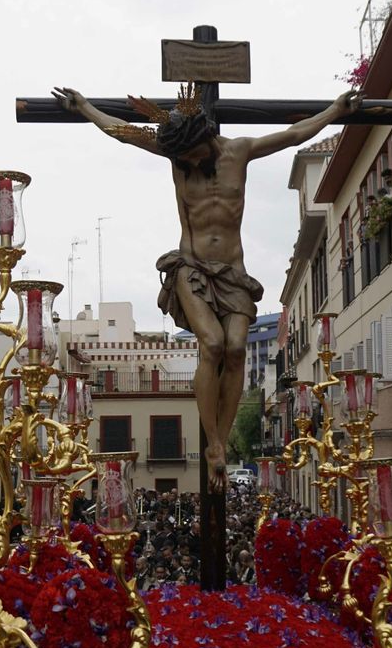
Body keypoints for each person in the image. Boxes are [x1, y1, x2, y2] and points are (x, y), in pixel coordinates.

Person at [54, 83, 360, 488]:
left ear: (206, 138)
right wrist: (86, 108)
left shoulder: (240, 151)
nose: (188, 163)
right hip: (192, 267)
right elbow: (121, 131)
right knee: (212, 344)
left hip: (233, 272)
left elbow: (293, 134)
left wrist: (335, 111)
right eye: (181, 158)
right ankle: (215, 443)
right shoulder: (177, 157)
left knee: (236, 349)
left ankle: (222, 435)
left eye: (193, 155)